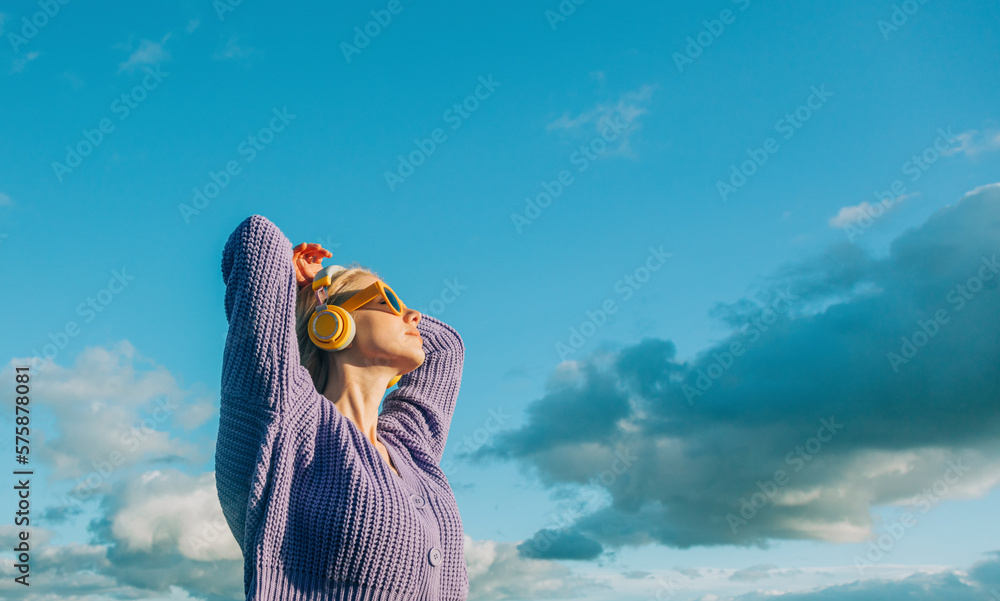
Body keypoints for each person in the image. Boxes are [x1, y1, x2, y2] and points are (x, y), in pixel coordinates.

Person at [216, 214, 470, 600]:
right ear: (333, 323)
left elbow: (445, 347)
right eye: (387, 300)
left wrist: (369, 302)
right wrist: (303, 282)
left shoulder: (410, 448)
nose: (413, 315)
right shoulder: (286, 421)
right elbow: (257, 240)